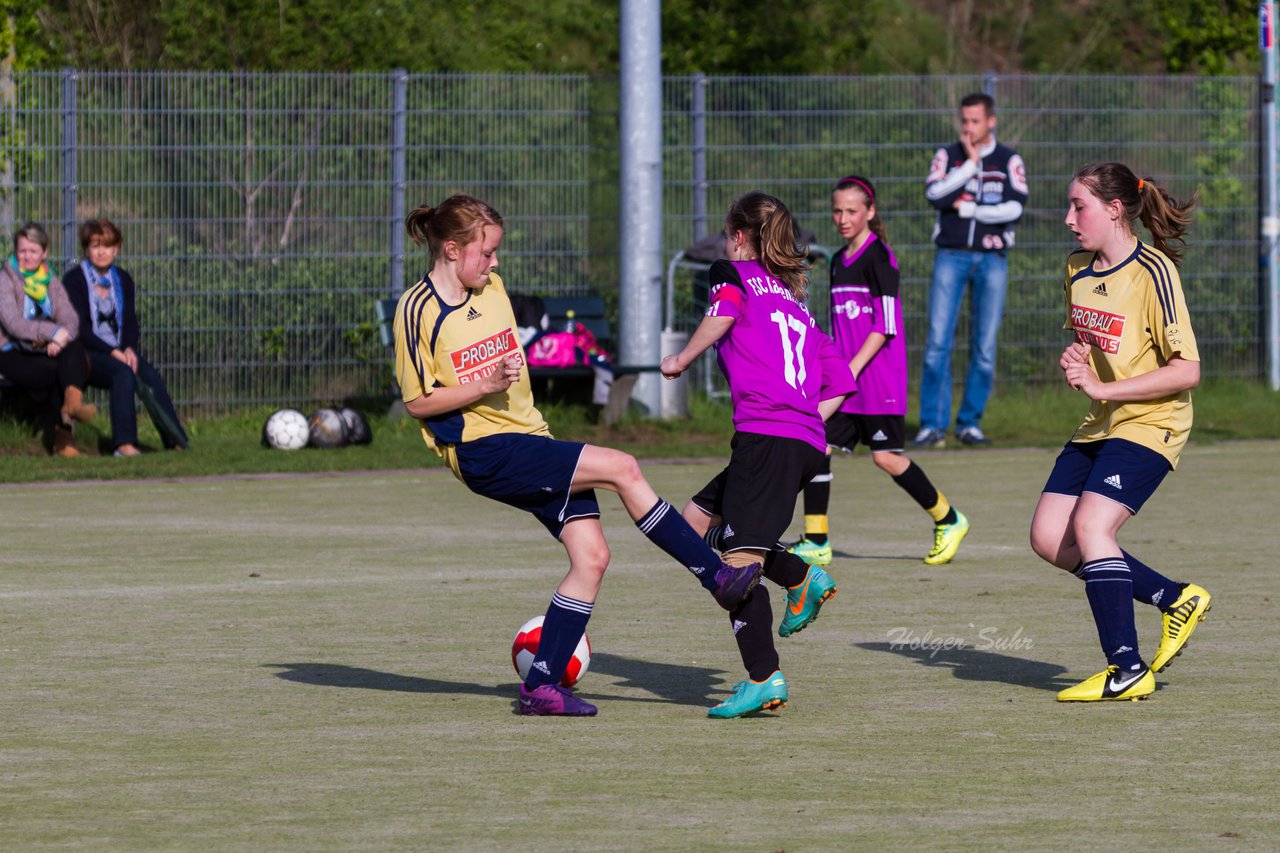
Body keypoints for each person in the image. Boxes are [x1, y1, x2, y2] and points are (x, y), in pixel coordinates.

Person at [393, 194, 762, 717]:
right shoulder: (417, 309)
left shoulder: (491, 288)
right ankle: (715, 576)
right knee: (622, 467)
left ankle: (542, 685)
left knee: (591, 557)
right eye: (487, 252)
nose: (495, 263)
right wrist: (482, 385)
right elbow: (417, 402)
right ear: (451, 249)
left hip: (529, 440)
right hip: (481, 450)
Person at [662, 192, 856, 719]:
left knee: (738, 564)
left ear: (739, 237)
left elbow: (722, 314)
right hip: (798, 441)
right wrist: (805, 418)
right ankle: (798, 575)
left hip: (766, 438)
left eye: (728, 234)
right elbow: (842, 379)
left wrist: (681, 358)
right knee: (694, 523)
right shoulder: (794, 303)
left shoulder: (733, 273)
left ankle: (763, 678)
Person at [1030, 162, 1211, 702]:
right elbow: (1095, 343)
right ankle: (1173, 598)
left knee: (1091, 527)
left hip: (1155, 421)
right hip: (1102, 423)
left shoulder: (1155, 271)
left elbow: (1187, 370)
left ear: (1114, 210)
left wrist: (1104, 389)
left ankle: (1126, 668)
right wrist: (1077, 360)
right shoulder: (1076, 269)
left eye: (1078, 206)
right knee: (1048, 538)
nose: (1068, 218)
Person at [787, 176, 969, 568]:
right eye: (837, 210)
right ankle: (817, 539)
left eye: (852, 211)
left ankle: (949, 519)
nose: (843, 218)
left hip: (878, 380)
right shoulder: (837, 262)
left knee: (886, 458)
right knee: (817, 444)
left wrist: (848, 370)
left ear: (870, 212)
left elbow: (884, 326)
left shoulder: (880, 257)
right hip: (846, 381)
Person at [914, 92, 1028, 448]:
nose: (968, 127)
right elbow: (934, 195)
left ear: (991, 121)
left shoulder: (1010, 160)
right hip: (950, 255)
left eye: (975, 121)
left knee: (984, 346)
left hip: (992, 259)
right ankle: (932, 426)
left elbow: (1015, 207)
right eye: (964, 121)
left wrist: (971, 211)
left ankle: (969, 424)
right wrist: (969, 166)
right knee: (937, 343)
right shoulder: (948, 156)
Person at [62, 218, 188, 456]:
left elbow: (130, 321)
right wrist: (114, 353)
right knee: (123, 372)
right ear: (86, 249)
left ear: (116, 248)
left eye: (107, 246)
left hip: (119, 350)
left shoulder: (123, 279)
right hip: (85, 354)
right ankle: (124, 444)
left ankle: (175, 439)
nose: (101, 252)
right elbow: (79, 329)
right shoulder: (73, 280)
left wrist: (129, 348)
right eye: (95, 245)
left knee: (147, 372)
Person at [0, 222, 96, 457]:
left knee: (74, 350)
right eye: (22, 251)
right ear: (15, 252)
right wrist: (52, 333)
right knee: (61, 370)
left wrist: (60, 340)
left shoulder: (50, 281)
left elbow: (70, 319)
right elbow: (13, 323)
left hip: (43, 349)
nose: (27, 257)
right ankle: (64, 440)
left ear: (44, 253)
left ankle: (71, 404)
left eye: (33, 251)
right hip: (10, 351)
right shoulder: (5, 279)